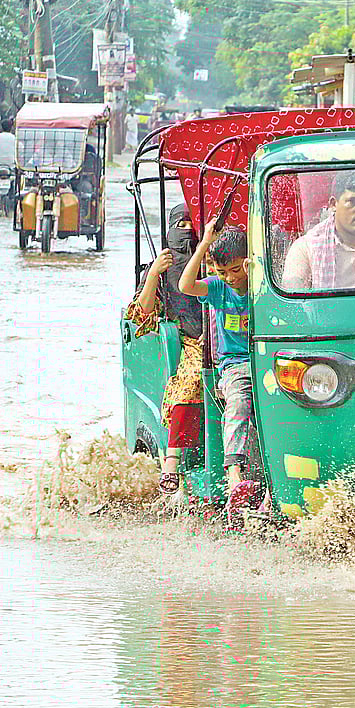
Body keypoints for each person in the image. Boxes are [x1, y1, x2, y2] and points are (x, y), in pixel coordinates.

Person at [178, 222, 259, 520]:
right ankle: (234, 472)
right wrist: (204, 246)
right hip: (235, 365)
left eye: (236, 269)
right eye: (223, 271)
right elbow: (186, 286)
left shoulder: (263, 285)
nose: (231, 277)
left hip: (263, 361)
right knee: (238, 403)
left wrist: (256, 270)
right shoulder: (218, 289)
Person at [125, 204, 204, 495]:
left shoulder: (211, 258)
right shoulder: (160, 267)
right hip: (188, 342)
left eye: (191, 224)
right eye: (179, 225)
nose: (186, 231)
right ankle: (172, 461)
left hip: (223, 336)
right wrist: (154, 275)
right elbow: (141, 315)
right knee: (193, 380)